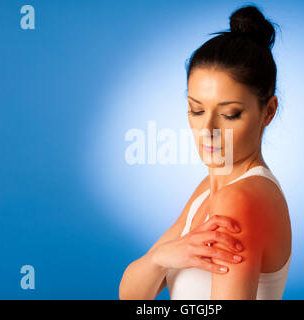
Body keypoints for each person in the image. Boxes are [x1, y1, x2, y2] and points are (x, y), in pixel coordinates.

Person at [119, 4, 291, 300]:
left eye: (230, 114)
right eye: (196, 110)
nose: (207, 129)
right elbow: (131, 295)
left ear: (268, 112)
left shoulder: (239, 199)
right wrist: (161, 257)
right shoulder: (209, 189)